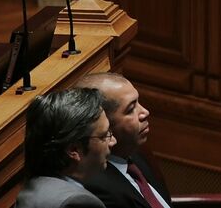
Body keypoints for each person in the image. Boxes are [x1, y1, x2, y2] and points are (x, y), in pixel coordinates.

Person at [76, 72, 172, 208]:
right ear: (103, 125)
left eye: (138, 102)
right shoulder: (98, 190)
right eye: (131, 109)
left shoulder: (134, 153)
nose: (145, 112)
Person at [16, 87, 113, 208]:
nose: (112, 141)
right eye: (104, 136)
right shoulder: (78, 203)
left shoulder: (32, 190)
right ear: (74, 150)